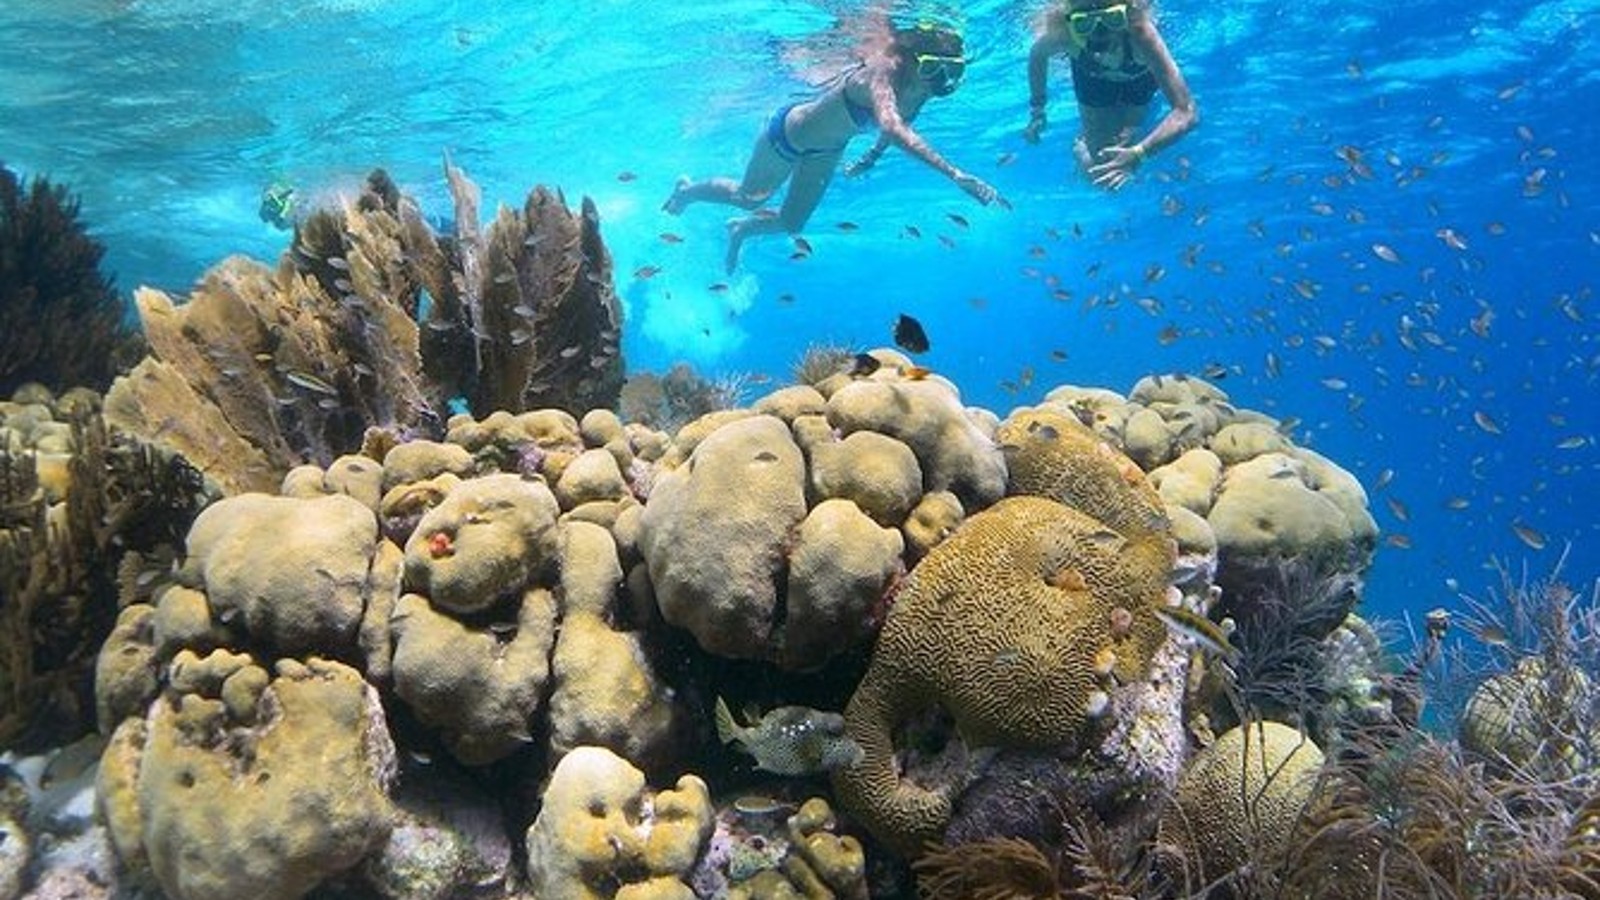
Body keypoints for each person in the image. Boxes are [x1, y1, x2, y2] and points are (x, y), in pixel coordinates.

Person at [664, 22, 1003, 272]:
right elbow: (891, 125)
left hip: (828, 151)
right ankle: (687, 191)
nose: (940, 77)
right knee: (749, 197)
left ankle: (740, 229)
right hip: (787, 136)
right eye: (931, 66)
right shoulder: (881, 75)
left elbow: (898, 128)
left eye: (952, 70)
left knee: (792, 224)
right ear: (911, 57)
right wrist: (954, 174)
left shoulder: (921, 90)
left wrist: (870, 158)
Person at [1023, 0, 1197, 190]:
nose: (1099, 31)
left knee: (1127, 140)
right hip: (1092, 77)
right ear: (1072, 22)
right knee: (1098, 172)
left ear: (1126, 15)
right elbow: (1037, 56)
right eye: (1084, 23)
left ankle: (1123, 139)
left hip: (1137, 77)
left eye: (1113, 18)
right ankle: (1080, 143)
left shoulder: (1140, 34)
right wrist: (1037, 110)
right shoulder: (1064, 34)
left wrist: (1139, 153)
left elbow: (1186, 111)